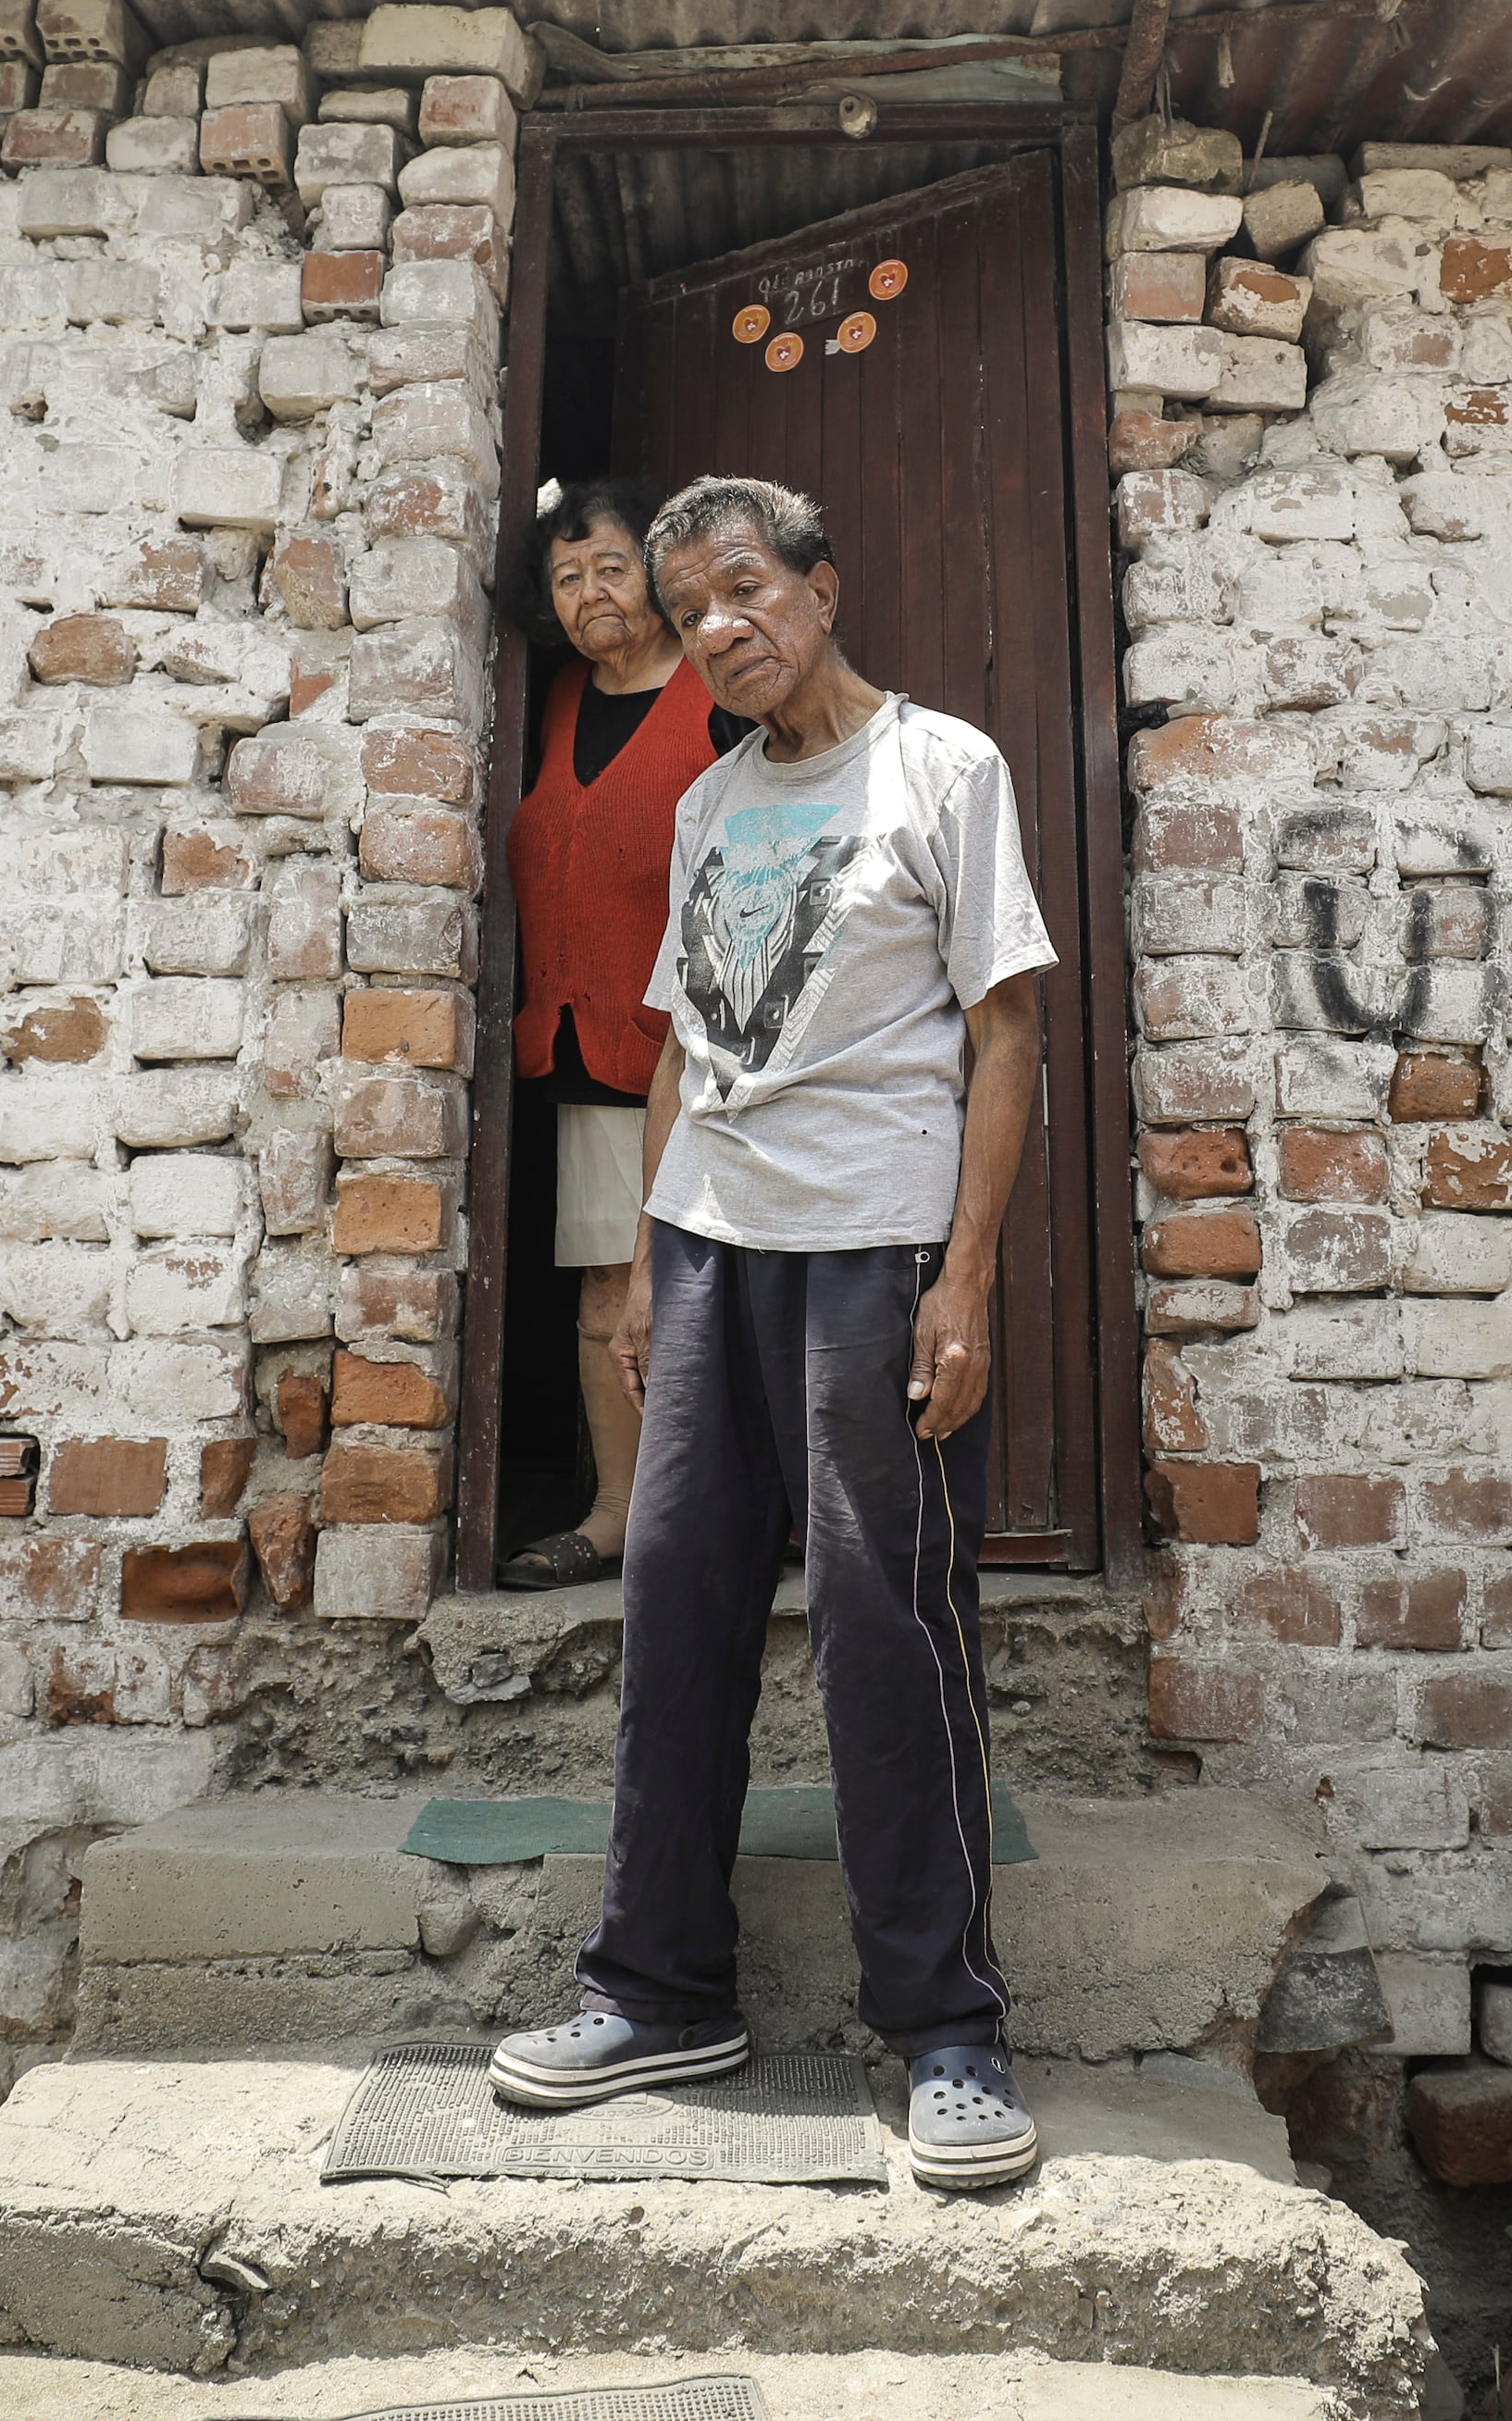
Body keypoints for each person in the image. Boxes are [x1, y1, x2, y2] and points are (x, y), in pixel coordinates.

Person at [487, 475, 1060, 2196]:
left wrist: (964, 1278)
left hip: (873, 1247)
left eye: (747, 590)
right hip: (714, 1249)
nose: (721, 629)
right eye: (694, 610)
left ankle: (948, 2029)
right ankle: (657, 1985)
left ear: (818, 581)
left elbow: (1008, 1029)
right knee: (672, 1606)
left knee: (886, 1625)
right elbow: (675, 1053)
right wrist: (660, 1270)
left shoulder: (944, 769)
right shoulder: (713, 796)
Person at [496, 478, 747, 1592]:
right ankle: (618, 1517)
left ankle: (750, 1514)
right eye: (565, 578)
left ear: (652, 572)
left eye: (608, 566)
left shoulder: (720, 691)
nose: (590, 593)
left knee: (746, 1278)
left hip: (727, 1043)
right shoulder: (546, 702)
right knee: (611, 1283)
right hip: (588, 1049)